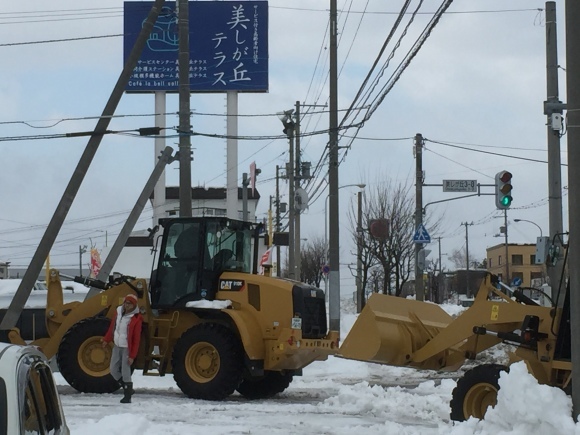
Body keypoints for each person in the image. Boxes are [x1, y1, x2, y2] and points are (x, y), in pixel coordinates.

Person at [101, 293, 143, 403]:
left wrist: (132, 355)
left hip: (126, 348)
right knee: (113, 369)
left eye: (130, 304)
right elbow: (113, 328)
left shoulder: (136, 319)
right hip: (117, 345)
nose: (127, 305)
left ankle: (127, 394)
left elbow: (136, 339)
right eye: (126, 303)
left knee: (125, 371)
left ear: (134, 306)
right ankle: (127, 387)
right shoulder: (118, 312)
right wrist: (107, 339)